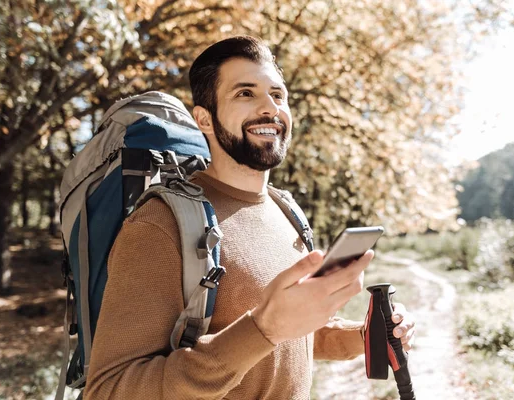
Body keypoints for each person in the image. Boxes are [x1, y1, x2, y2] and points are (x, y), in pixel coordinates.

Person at [84, 35, 415, 400]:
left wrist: (362, 337)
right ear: (204, 119)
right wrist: (263, 328)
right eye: (245, 93)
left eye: (278, 94)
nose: (270, 108)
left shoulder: (285, 211)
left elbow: (290, 337)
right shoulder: (160, 225)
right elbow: (109, 390)